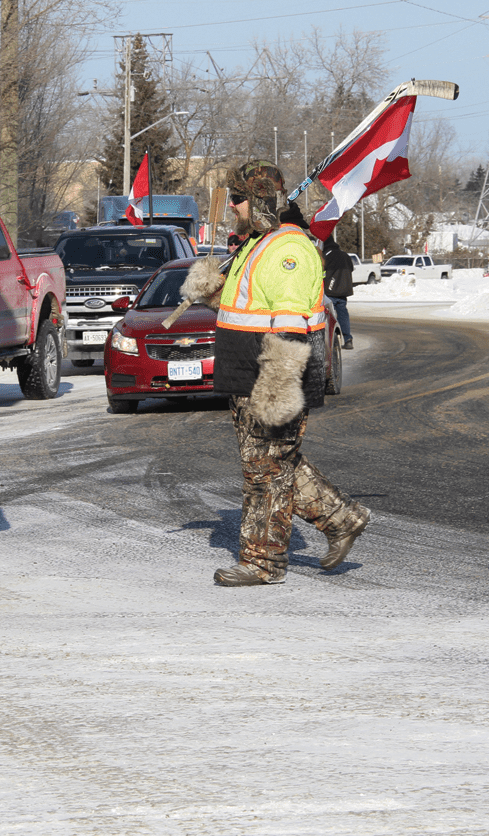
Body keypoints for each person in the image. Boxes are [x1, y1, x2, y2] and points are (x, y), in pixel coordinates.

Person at [181, 160, 371, 587]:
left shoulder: (289, 250)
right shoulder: (256, 244)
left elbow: (290, 327)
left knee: (265, 473)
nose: (232, 206)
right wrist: (209, 286)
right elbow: (244, 308)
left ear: (261, 200)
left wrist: (276, 391)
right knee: (271, 464)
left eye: (238, 198)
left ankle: (263, 563)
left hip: (272, 379)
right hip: (245, 374)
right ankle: (343, 518)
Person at [321, 234, 355, 349]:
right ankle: (348, 339)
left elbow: (320, 272)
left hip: (329, 292)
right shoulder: (345, 255)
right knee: (343, 315)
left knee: (329, 318)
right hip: (343, 292)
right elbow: (351, 269)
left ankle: (330, 342)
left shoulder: (326, 256)